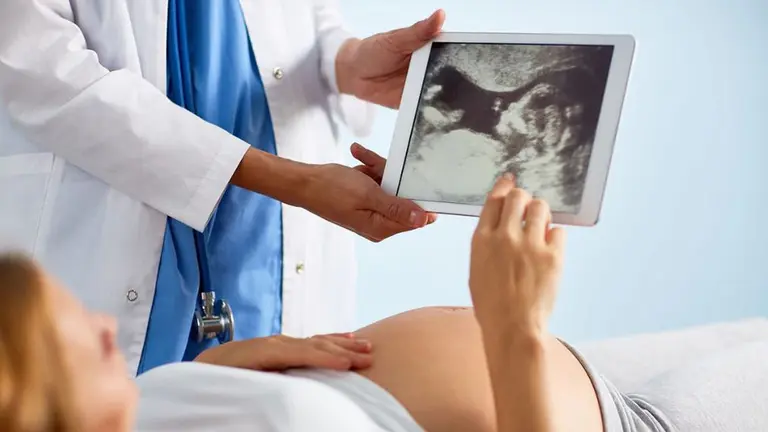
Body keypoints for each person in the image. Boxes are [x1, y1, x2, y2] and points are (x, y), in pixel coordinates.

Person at [2, 176, 766, 432]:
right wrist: (514, 335)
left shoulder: (133, 410)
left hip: (588, 373)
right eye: (82, 341)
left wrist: (216, 369)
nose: (109, 326)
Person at [0, 1, 443, 375]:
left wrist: (348, 64)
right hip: (98, 241)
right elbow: (43, 71)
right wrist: (299, 182)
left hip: (270, 241)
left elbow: (309, 21)